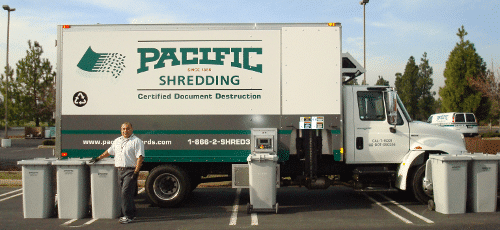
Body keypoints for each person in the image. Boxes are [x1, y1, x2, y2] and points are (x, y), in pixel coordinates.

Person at [89, 122, 144, 224]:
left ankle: (128, 216)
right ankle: (133, 213)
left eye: (127, 129)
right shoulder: (117, 141)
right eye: (123, 129)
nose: (125, 131)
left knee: (125, 193)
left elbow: (140, 157)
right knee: (127, 194)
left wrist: (136, 172)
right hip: (120, 171)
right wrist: (98, 158)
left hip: (130, 171)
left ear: (132, 129)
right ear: (121, 130)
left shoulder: (137, 141)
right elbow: (109, 152)